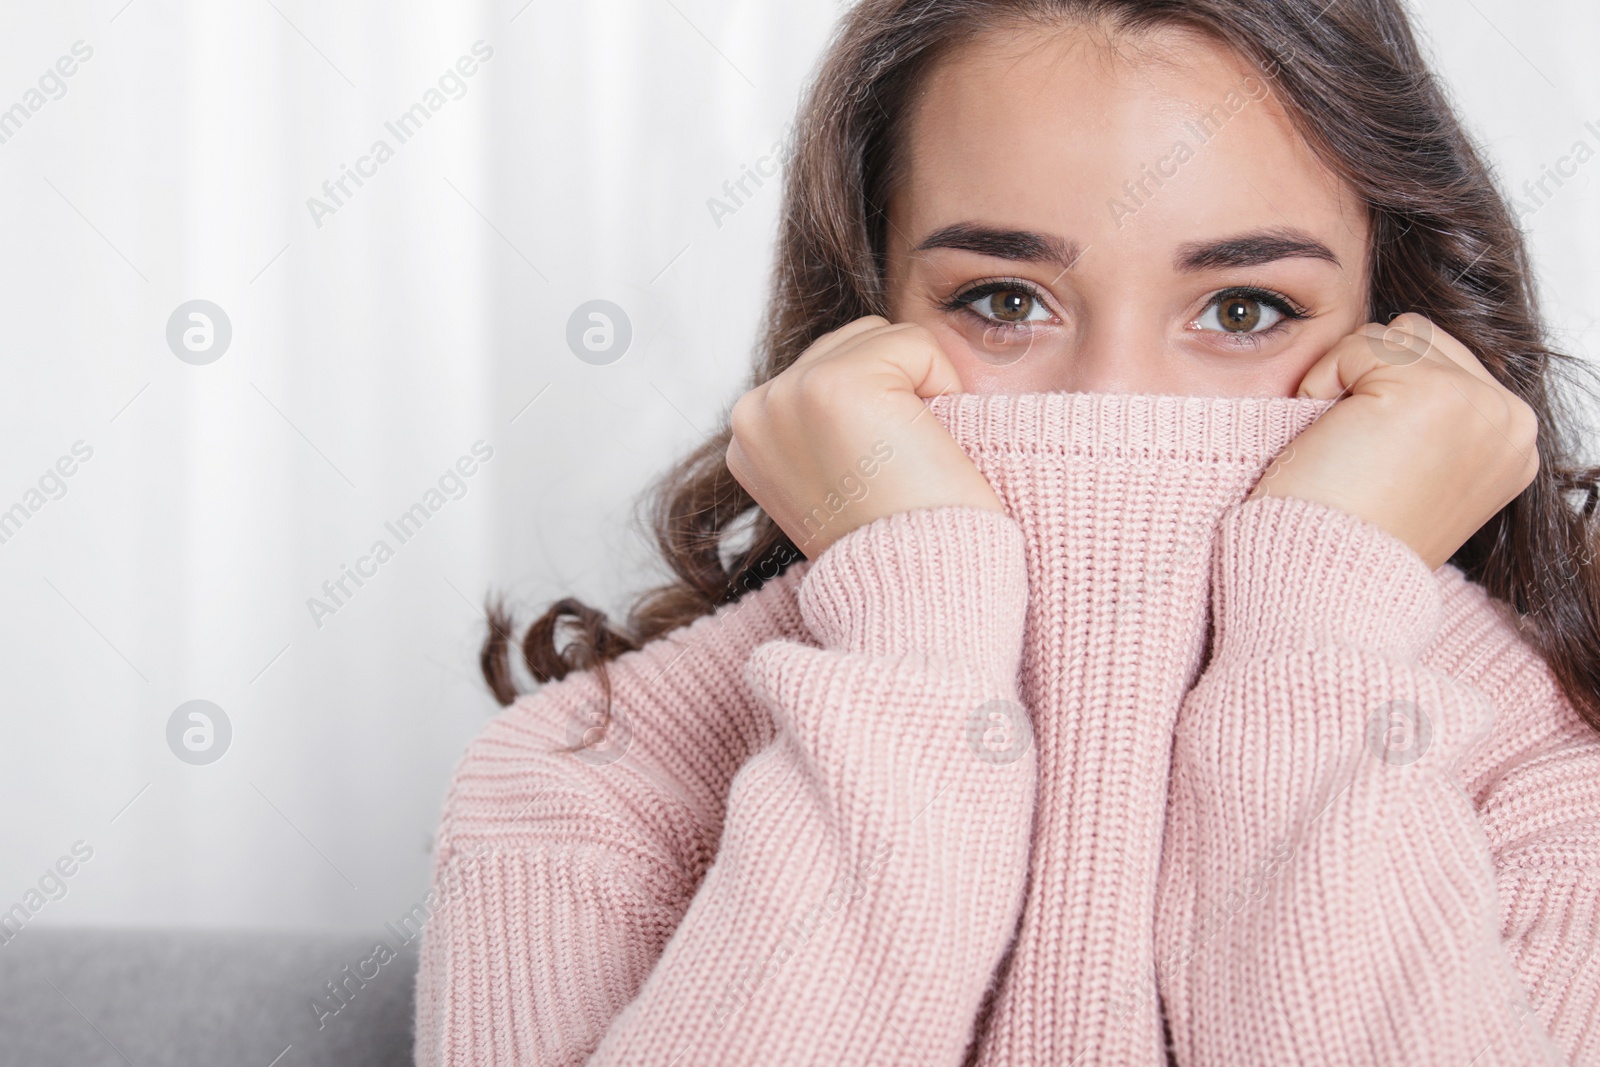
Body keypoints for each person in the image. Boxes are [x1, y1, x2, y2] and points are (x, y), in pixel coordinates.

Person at [413, 1, 1600, 1063]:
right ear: (860, 323)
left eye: (1243, 310)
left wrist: (1315, 651)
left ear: (1402, 339)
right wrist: (917, 651)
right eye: (1003, 300)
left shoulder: (1558, 782)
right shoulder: (577, 788)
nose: (1110, 401)